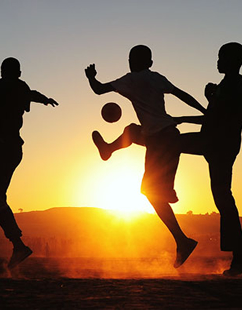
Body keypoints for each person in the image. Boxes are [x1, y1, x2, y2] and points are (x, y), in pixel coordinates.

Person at [92, 43, 242, 276]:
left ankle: (166, 191)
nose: (217, 61)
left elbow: (221, 118)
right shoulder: (226, 85)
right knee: (219, 195)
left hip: (219, 144)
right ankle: (241, 255)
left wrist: (203, 106)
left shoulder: (233, 85)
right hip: (216, 142)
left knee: (168, 142)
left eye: (221, 57)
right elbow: (211, 116)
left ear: (232, 60)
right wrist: (198, 108)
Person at [85, 45, 204, 268]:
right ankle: (109, 149)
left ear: (139, 61)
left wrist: (91, 77)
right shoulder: (156, 78)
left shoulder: (129, 80)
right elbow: (182, 94)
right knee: (131, 130)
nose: (130, 61)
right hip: (161, 136)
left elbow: (98, 90)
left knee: (151, 192)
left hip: (161, 140)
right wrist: (204, 110)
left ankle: (182, 240)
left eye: (132, 58)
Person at [0, 57, 58, 268]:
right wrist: (45, 99)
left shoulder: (5, 85)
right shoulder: (22, 88)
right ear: (20, 72)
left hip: (1, 146)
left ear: (4, 72)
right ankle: (18, 246)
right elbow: (32, 95)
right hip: (13, 150)